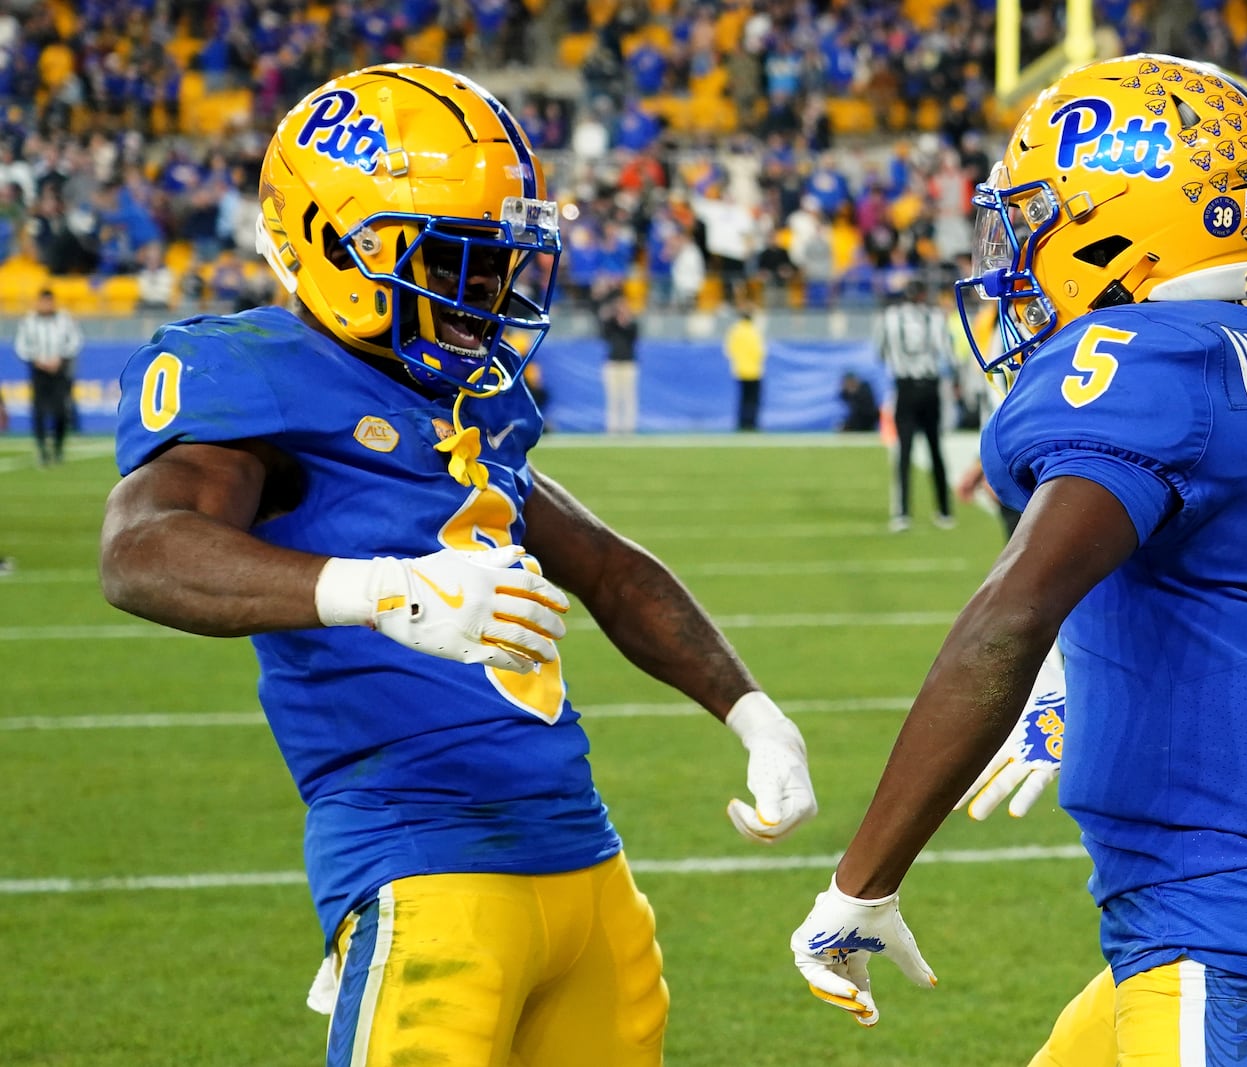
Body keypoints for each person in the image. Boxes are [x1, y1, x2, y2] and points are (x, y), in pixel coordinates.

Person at [98, 66, 817, 1067]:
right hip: (422, 856)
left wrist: (751, 712)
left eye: (500, 265)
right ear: (336, 240)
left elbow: (605, 567)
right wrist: (374, 589)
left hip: (588, 866)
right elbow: (139, 548)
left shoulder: (471, 396)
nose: (491, 294)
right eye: (458, 261)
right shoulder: (256, 370)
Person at [790, 53, 1247, 1067]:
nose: (1016, 253)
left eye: (1040, 218)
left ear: (1124, 221)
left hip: (1229, 951)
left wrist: (862, 881)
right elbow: (1221, 573)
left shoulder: (1150, 364)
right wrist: (1085, 670)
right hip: (1194, 935)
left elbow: (1009, 613)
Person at [875, 278, 955, 532]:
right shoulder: (936, 317)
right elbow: (948, 354)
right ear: (923, 295)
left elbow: (880, 352)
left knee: (904, 452)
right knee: (935, 451)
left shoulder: (889, 318)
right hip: (929, 388)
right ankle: (944, 511)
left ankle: (901, 513)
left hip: (905, 388)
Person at [14, 287, 82, 465]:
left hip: (59, 370)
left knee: (60, 410)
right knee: (39, 410)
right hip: (39, 371)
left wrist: (60, 358)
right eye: (43, 302)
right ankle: (42, 449)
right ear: (38, 302)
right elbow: (21, 345)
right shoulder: (28, 321)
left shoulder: (64, 319)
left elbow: (75, 340)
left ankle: (58, 447)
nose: (46, 305)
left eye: (49, 301)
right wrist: (36, 360)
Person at [598, 289, 640, 434]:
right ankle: (613, 427)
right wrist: (611, 316)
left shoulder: (632, 324)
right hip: (613, 363)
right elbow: (603, 333)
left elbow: (633, 337)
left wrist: (625, 321)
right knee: (613, 398)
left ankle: (629, 427)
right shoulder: (611, 324)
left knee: (628, 397)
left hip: (628, 363)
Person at [724, 304, 765, 431]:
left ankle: (742, 423)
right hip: (754, 371)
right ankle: (751, 423)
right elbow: (759, 351)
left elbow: (729, 350)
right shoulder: (753, 331)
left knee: (742, 399)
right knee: (753, 399)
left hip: (740, 370)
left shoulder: (735, 331)